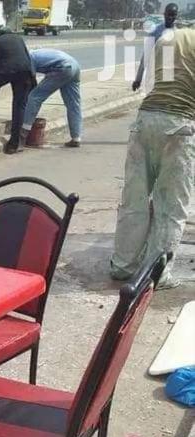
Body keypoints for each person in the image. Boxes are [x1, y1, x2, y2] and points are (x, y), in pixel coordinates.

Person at [111, 28, 195, 290]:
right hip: (179, 124)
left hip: (145, 119)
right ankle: (157, 273)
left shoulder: (168, 38)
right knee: (171, 205)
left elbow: (156, 77)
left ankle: (123, 265)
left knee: (134, 197)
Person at [0, 27, 35, 154]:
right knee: (19, 107)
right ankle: (15, 143)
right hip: (26, 74)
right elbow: (27, 59)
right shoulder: (19, 39)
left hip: (6, 72)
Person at [21, 49, 82, 148]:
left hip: (62, 68)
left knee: (34, 97)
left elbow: (31, 79)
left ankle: (23, 134)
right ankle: (76, 138)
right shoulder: (37, 52)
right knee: (73, 104)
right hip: (74, 66)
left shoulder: (28, 58)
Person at [132, 3, 179, 92]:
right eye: (168, 14)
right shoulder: (155, 32)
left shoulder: (178, 34)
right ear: (164, 14)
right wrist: (138, 79)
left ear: (176, 16)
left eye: (173, 15)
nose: (170, 17)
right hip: (156, 75)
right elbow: (145, 57)